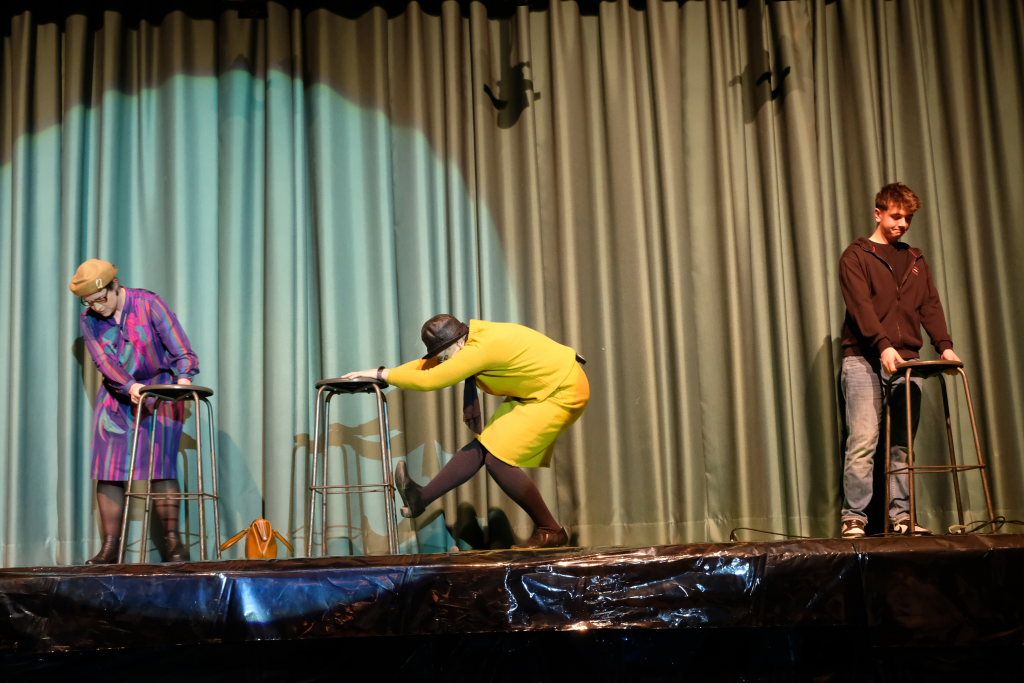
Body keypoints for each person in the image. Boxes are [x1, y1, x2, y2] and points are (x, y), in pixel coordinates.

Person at [343, 314, 589, 549]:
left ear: (459, 342)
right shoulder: (468, 340)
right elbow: (425, 365)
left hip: (562, 389)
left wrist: (383, 375)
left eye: (446, 356)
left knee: (497, 460)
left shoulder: (480, 349)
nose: (444, 362)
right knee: (486, 447)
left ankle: (550, 530)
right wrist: (380, 373)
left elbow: (430, 379)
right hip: (537, 390)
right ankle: (420, 498)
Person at [838, 183, 961, 539]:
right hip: (863, 358)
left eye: (908, 218)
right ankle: (854, 518)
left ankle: (902, 516)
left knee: (902, 445)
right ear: (877, 213)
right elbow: (861, 306)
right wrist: (883, 345)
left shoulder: (915, 260)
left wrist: (944, 345)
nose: (902, 224)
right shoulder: (856, 256)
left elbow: (930, 305)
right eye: (895, 216)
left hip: (907, 361)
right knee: (863, 441)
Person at [69, 259, 200, 563]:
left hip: (161, 393)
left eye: (100, 299)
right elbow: (104, 361)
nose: (96, 307)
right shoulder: (90, 319)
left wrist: (182, 380)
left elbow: (181, 349)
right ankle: (110, 548)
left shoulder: (149, 304)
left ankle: (173, 543)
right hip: (118, 395)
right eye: (89, 302)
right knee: (109, 469)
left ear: (115, 286)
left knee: (161, 466)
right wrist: (129, 387)